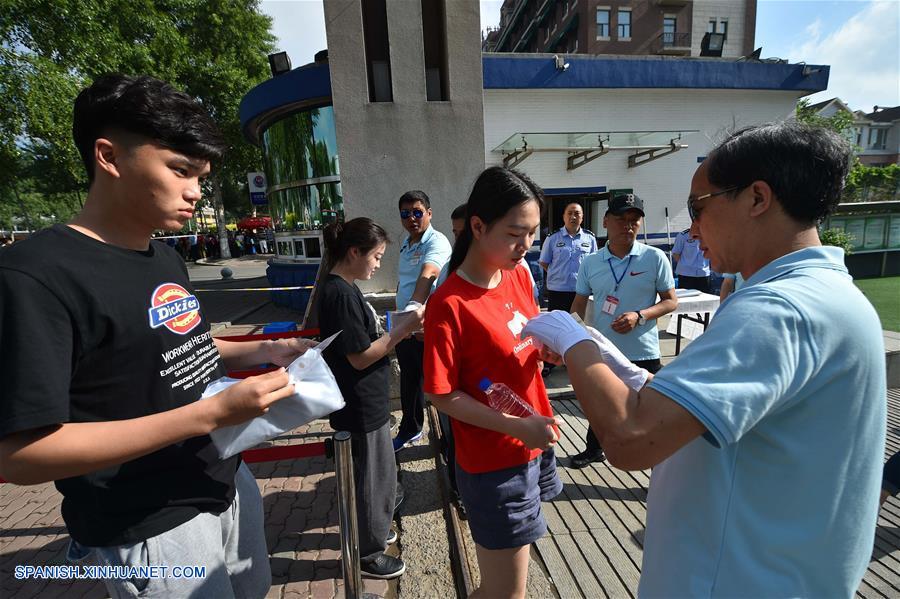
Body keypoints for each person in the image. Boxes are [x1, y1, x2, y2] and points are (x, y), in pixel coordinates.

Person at [523, 121, 885, 597]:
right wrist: (611, 356)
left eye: (699, 207)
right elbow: (690, 406)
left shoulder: (778, 310)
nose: (692, 231)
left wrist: (574, 339)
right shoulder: (817, 293)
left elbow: (632, 439)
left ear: (757, 199)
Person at [0, 74, 318, 598]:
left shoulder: (164, 254)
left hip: (226, 482)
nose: (195, 191)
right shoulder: (35, 275)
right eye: (180, 170)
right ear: (109, 156)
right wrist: (212, 413)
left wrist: (266, 348)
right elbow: (23, 453)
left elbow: (176, 345)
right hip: (148, 521)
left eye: (201, 175)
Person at [424, 166, 561, 599]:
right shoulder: (449, 304)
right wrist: (517, 427)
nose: (527, 246)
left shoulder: (519, 274)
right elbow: (440, 394)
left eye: (534, 233)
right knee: (507, 592)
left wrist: (545, 349)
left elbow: (527, 333)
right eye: (516, 234)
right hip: (494, 461)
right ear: (478, 227)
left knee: (507, 584)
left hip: (534, 442)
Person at [318, 218, 423, 579]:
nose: (378, 264)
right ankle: (369, 552)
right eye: (376, 256)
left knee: (375, 475)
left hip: (363, 399)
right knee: (371, 478)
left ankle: (373, 531)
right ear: (354, 252)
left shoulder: (341, 287)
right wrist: (402, 330)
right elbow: (361, 355)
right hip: (360, 402)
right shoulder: (340, 294)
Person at [567, 193, 677, 468]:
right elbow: (579, 303)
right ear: (605, 222)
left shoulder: (655, 258)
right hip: (604, 349)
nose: (628, 226)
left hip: (643, 350)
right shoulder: (591, 262)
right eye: (620, 220)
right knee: (600, 404)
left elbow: (670, 301)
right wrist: (573, 336)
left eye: (634, 220)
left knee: (648, 412)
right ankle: (594, 449)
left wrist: (640, 316)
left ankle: (655, 465)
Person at [393, 190, 452, 451]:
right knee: (410, 381)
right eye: (405, 214)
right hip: (406, 328)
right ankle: (411, 428)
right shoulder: (405, 243)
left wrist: (413, 308)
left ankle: (452, 438)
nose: (411, 218)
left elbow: (429, 274)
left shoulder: (436, 242)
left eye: (417, 212)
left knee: (441, 386)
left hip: (427, 328)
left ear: (429, 213)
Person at [538, 202, 596, 376]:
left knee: (578, 326)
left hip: (580, 292)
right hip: (558, 291)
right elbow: (544, 262)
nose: (573, 217)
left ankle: (575, 361)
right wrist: (559, 275)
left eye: (577, 213)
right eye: (570, 213)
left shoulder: (589, 239)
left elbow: (593, 264)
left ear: (582, 217)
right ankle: (551, 361)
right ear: (563, 216)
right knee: (556, 328)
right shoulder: (553, 238)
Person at [671, 227, 710, 292]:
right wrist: (685, 265)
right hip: (686, 275)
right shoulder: (683, 236)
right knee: (686, 299)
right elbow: (676, 253)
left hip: (703, 273)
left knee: (704, 298)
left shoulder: (709, 234)